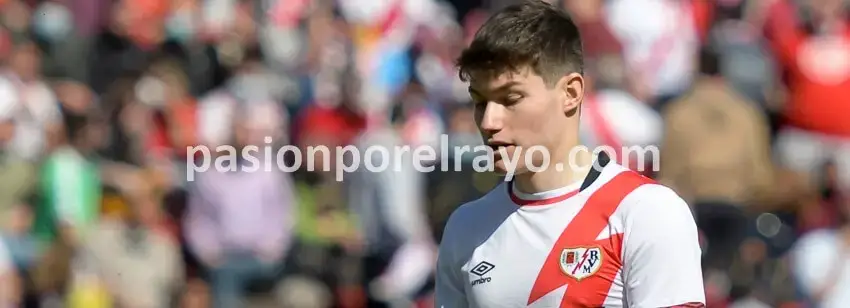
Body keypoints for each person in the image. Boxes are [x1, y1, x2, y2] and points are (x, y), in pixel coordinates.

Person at [434, 1, 705, 307]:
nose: (488, 122)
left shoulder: (647, 212)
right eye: (480, 102)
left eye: (510, 99)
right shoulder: (465, 227)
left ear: (571, 93)